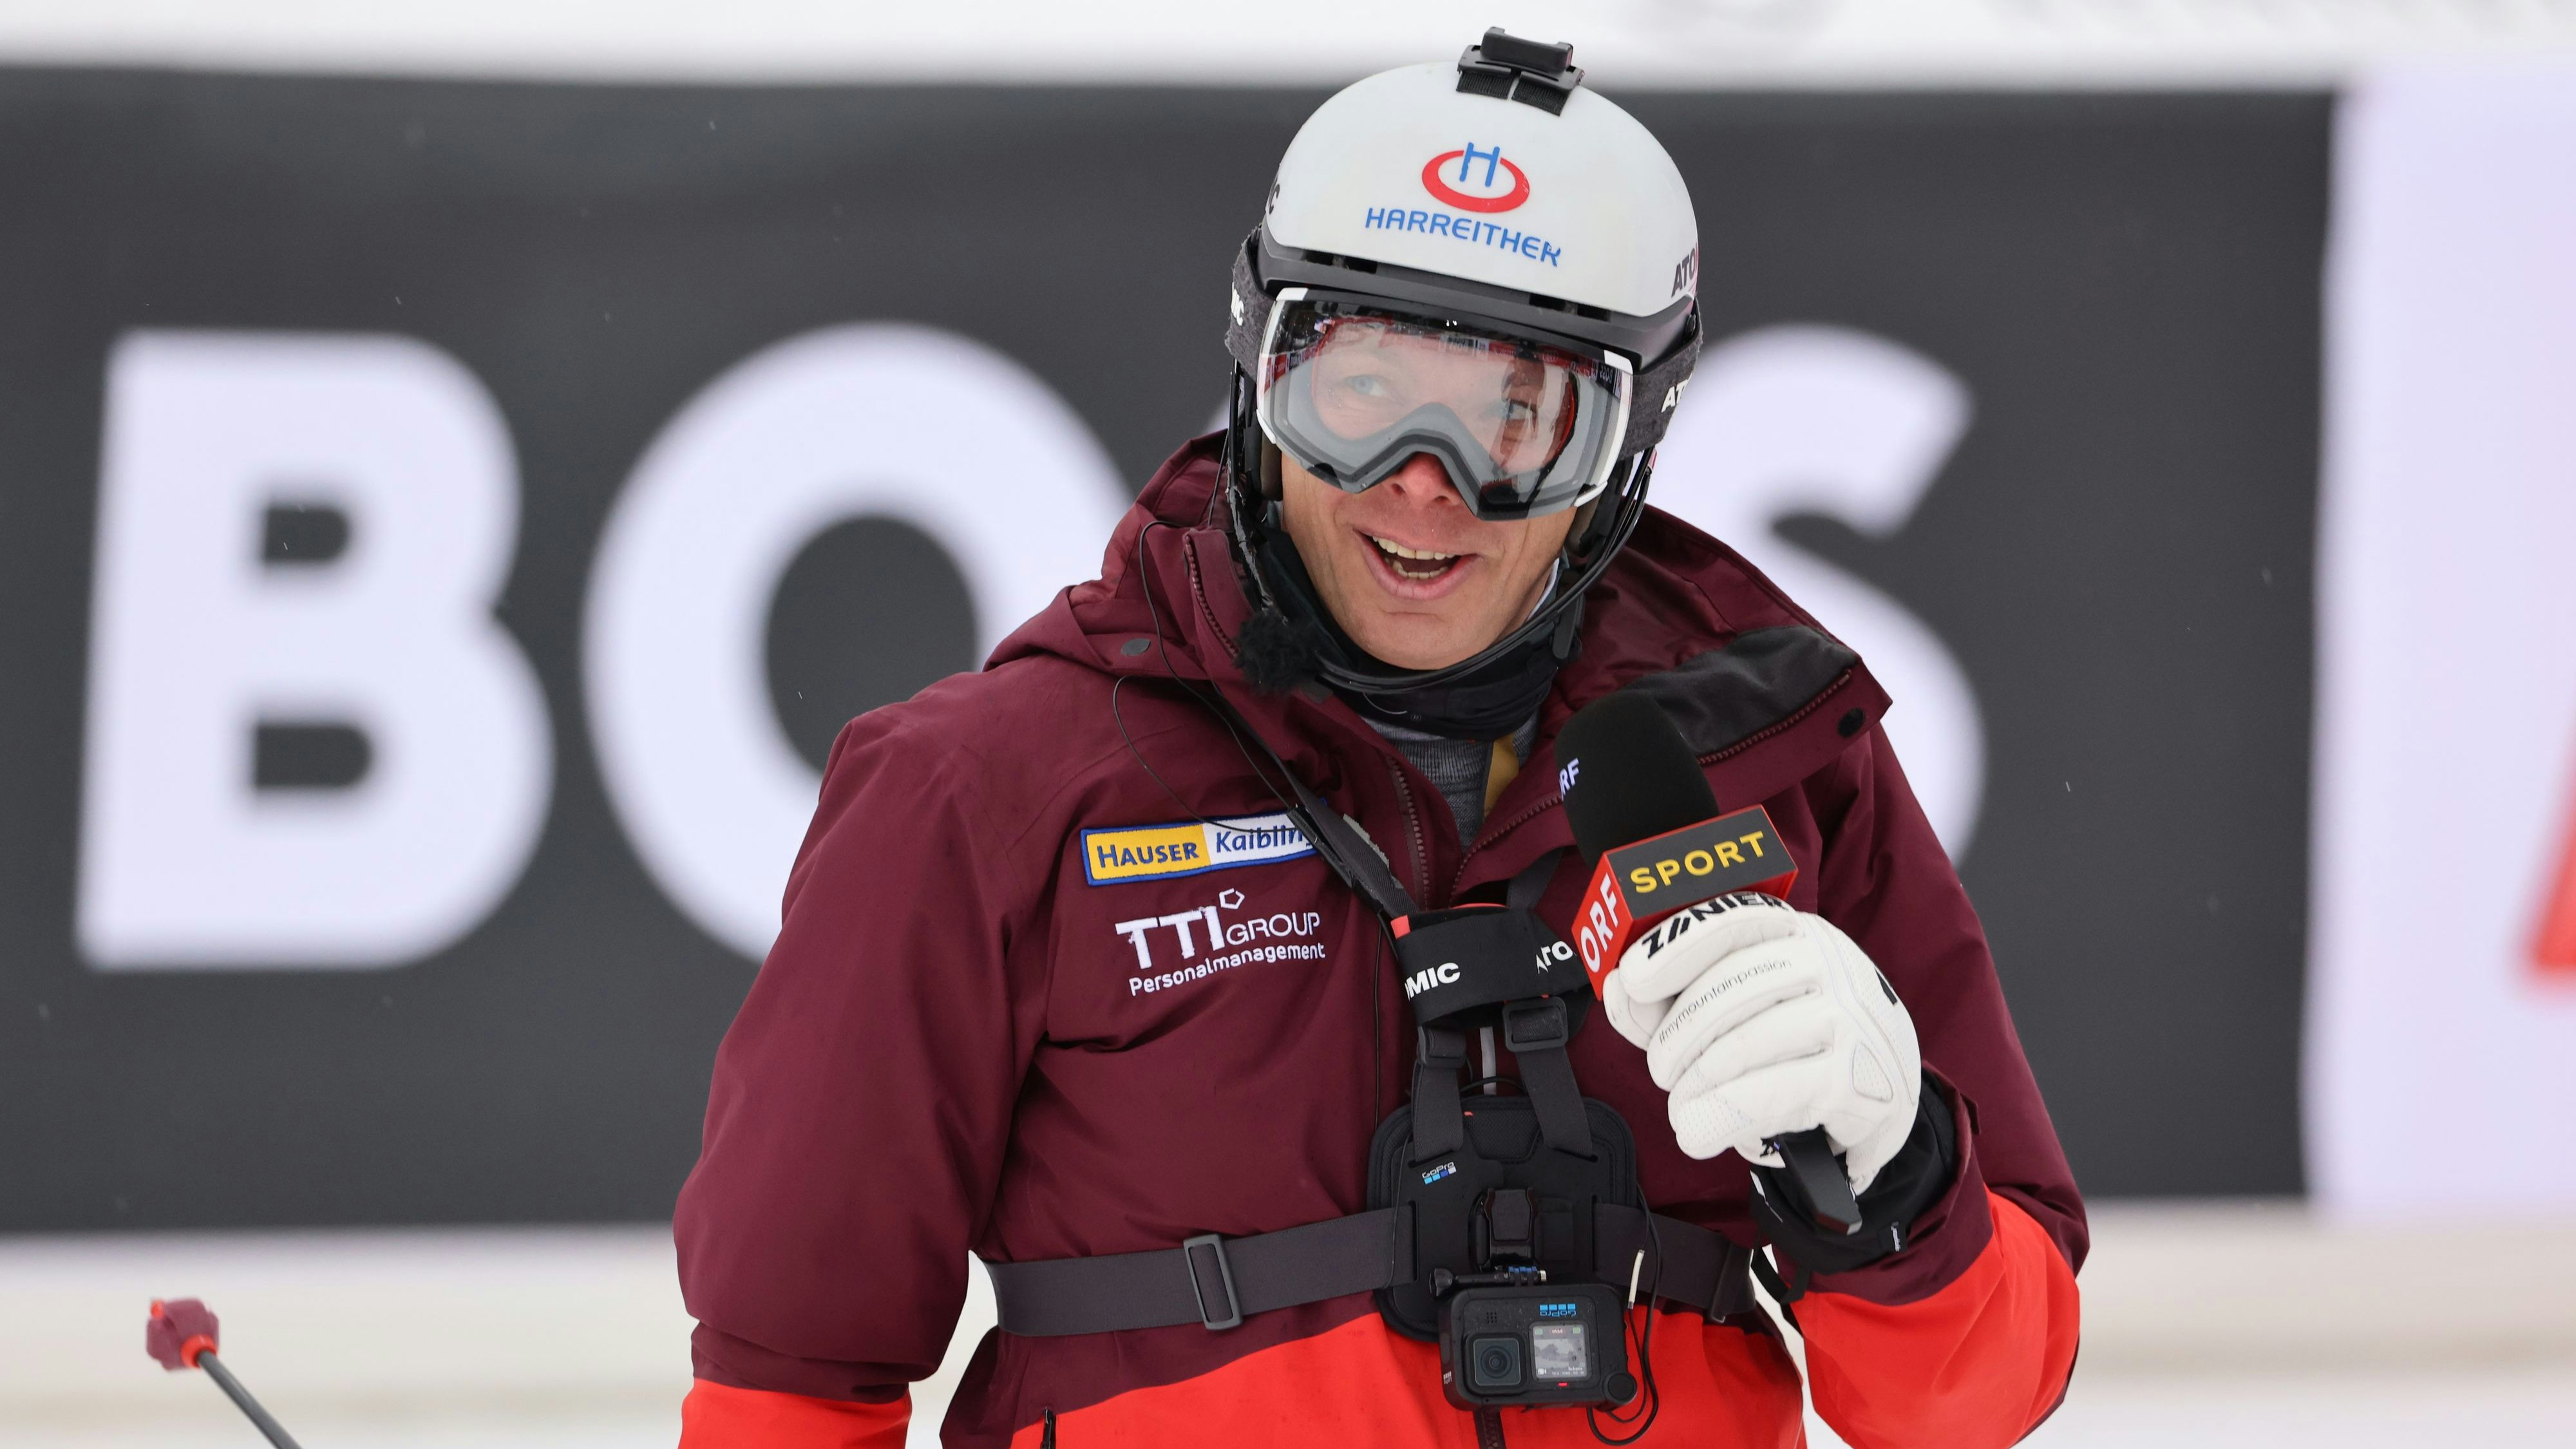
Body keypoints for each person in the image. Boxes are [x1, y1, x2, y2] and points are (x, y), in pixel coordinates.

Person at [675, 31, 2081, 1449]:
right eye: (1358, 394)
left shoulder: (1777, 764)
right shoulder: (986, 791)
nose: (1424, 487)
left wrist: (1896, 1170)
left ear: (1625, 448)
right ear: (1259, 374)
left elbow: (1971, 1405)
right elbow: (785, 1391)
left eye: (1518, 418)